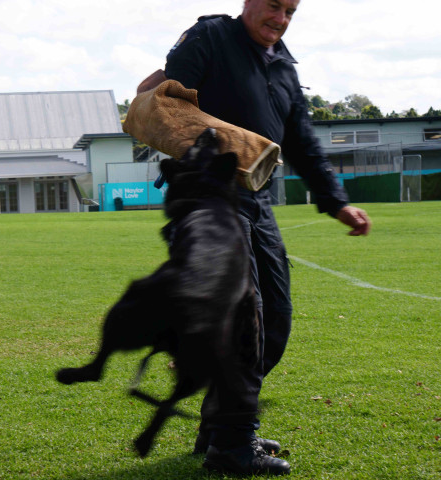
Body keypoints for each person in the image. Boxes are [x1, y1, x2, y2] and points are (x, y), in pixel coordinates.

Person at [137, 0, 371, 475]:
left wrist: (335, 201)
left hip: (257, 200)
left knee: (276, 321)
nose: (280, 19)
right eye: (272, 6)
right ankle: (233, 446)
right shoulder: (211, 37)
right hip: (204, 195)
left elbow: (302, 140)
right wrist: (160, 83)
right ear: (247, 2)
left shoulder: (284, 67)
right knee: (243, 318)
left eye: (290, 10)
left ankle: (220, 426)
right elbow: (170, 97)